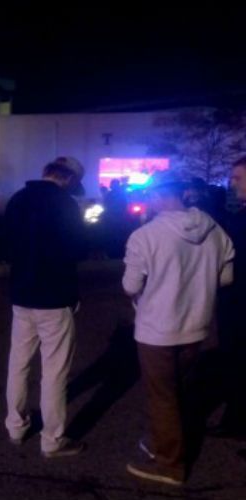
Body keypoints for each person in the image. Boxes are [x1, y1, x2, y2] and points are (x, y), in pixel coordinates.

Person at [122, 171, 234, 486]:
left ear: (159, 196)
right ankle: (165, 441)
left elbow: (131, 285)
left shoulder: (145, 236)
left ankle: (170, 464)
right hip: (196, 326)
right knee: (180, 390)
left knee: (162, 396)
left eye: (148, 195)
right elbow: (225, 279)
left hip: (157, 329)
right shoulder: (215, 231)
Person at [3, 160, 88, 458]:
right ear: (68, 179)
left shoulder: (18, 199)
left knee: (19, 362)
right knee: (54, 371)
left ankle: (16, 425)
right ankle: (52, 439)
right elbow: (78, 248)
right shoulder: (65, 204)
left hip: (21, 293)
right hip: (54, 295)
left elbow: (6, 244)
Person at [209, 157, 246, 439]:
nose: (232, 184)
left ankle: (236, 420)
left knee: (236, 358)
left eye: (238, 177)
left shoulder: (240, 220)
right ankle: (235, 417)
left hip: (238, 303)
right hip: (234, 301)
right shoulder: (238, 216)